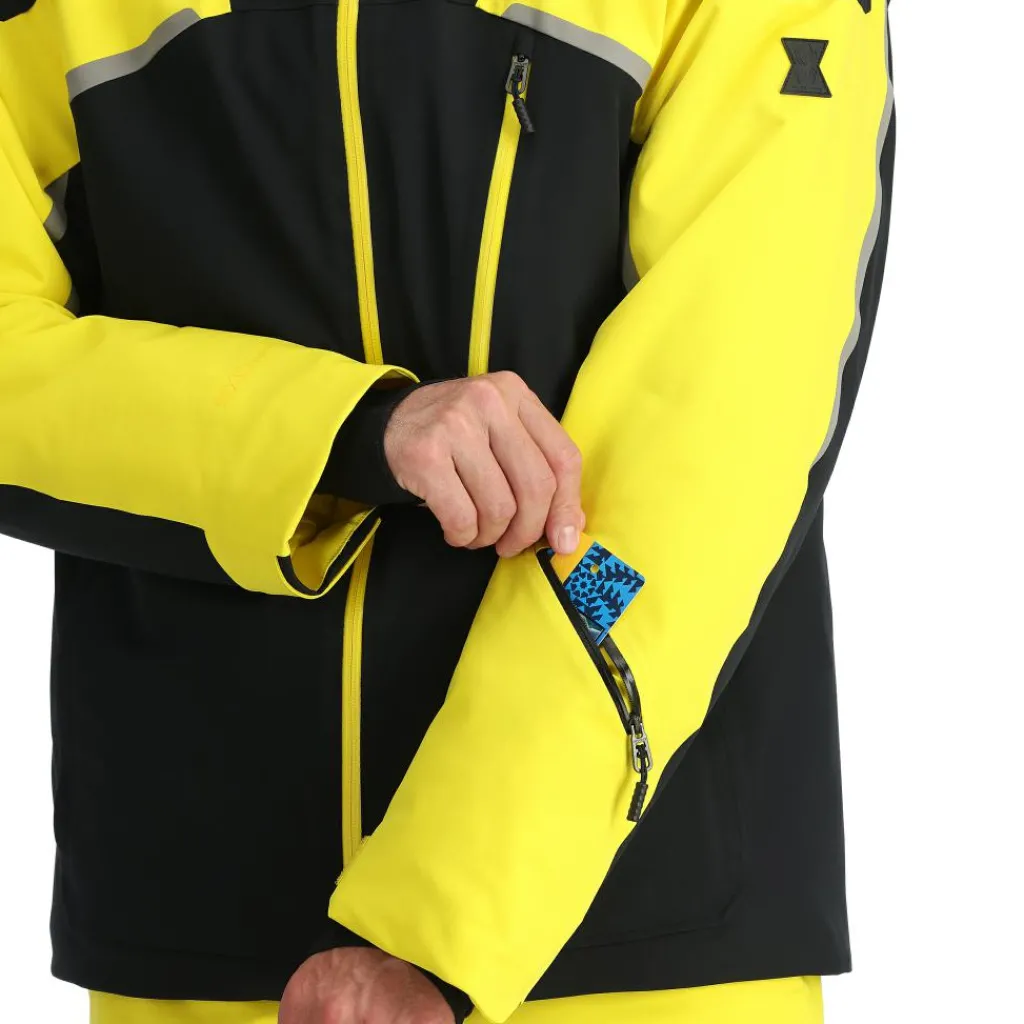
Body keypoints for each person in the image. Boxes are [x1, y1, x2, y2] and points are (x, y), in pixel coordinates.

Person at [0, 0, 894, 1021]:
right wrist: (343, 432)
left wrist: (440, 920)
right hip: (210, 931)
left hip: (629, 940)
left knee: (630, 542)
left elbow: (709, 451)